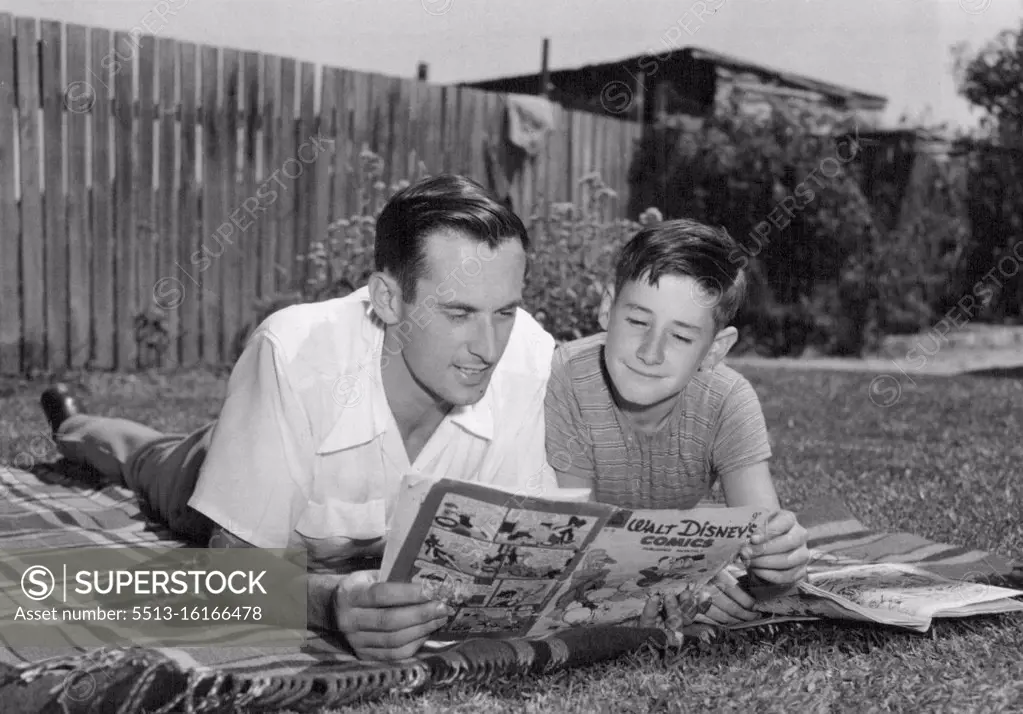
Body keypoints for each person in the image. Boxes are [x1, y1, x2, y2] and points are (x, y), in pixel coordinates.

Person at [39, 174, 703, 660]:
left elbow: (539, 550)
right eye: (457, 313)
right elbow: (230, 571)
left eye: (503, 311)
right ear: (387, 298)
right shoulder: (296, 353)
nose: (488, 347)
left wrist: (641, 590)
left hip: (372, 529)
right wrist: (330, 606)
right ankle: (73, 420)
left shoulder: (529, 357)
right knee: (140, 457)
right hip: (219, 464)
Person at [543, 217, 811, 631]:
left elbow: (763, 546)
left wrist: (778, 564)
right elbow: (576, 546)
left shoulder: (728, 400)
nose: (651, 352)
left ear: (715, 350)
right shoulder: (569, 378)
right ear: (606, 308)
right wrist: (671, 582)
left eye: (682, 337)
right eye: (636, 322)